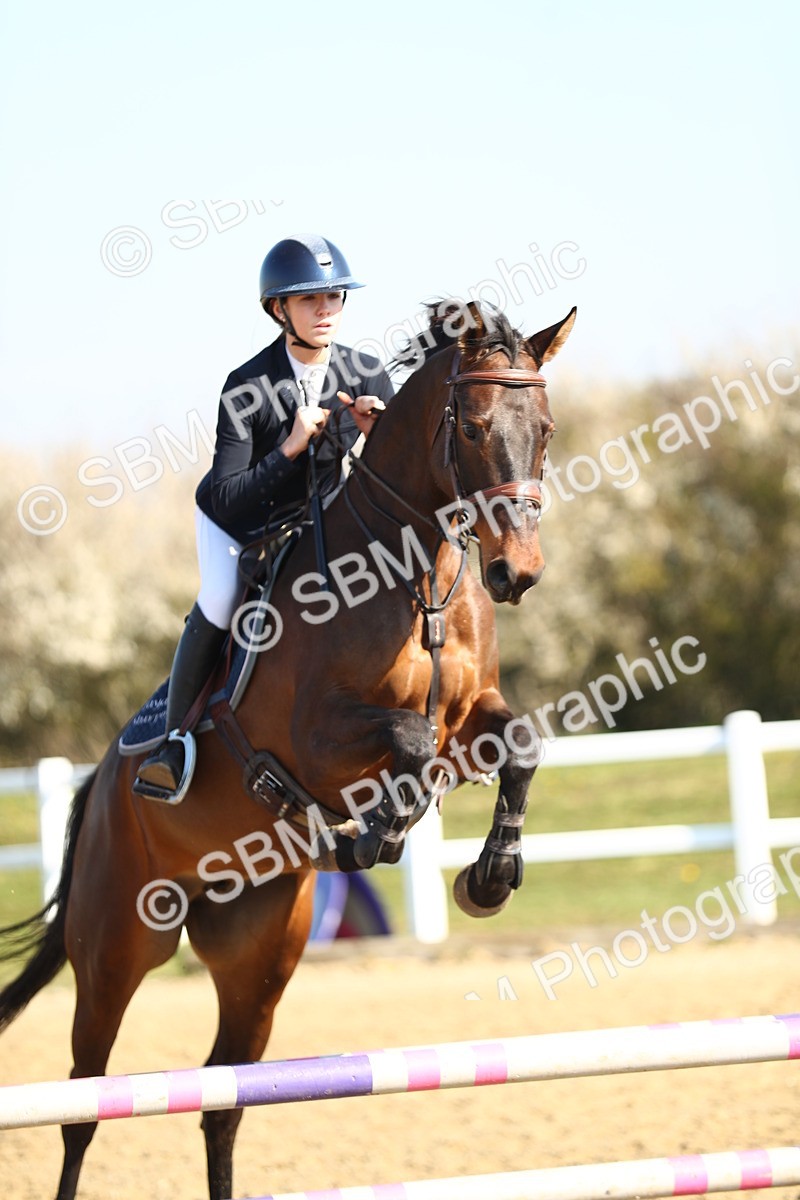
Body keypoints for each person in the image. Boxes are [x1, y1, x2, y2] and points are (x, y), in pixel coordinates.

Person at [134, 234, 393, 802]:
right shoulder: (246, 386)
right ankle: (173, 744)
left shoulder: (368, 375)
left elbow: (385, 488)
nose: (326, 311)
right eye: (310, 301)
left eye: (334, 298)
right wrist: (289, 450)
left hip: (318, 524)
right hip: (238, 525)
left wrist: (380, 441)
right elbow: (228, 497)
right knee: (222, 599)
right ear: (280, 310)